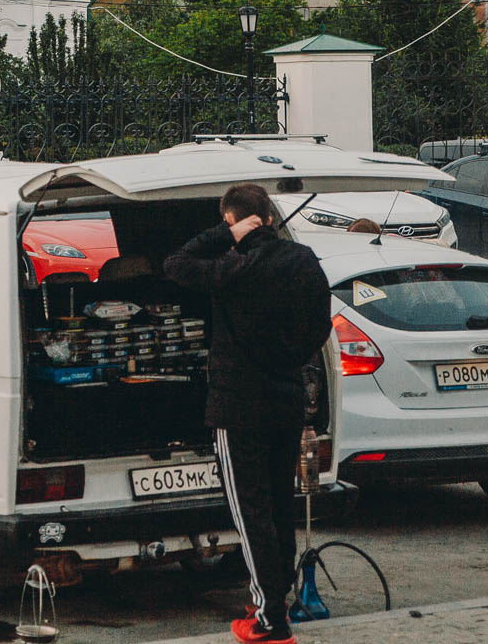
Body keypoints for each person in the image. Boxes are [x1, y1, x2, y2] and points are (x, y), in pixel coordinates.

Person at [164, 182, 332, 644]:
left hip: (238, 407)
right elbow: (321, 325)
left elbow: (175, 263)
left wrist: (225, 233)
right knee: (279, 505)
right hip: (286, 400)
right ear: (272, 218)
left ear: (232, 220)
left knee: (249, 512)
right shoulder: (303, 261)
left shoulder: (231, 268)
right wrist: (290, 360)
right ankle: (275, 602)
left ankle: (270, 620)